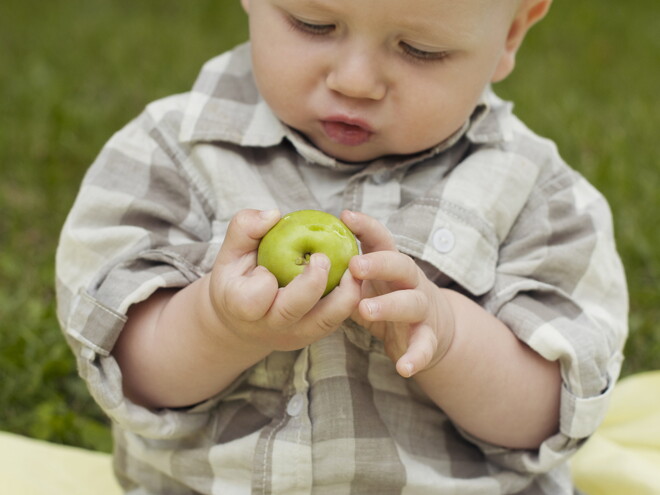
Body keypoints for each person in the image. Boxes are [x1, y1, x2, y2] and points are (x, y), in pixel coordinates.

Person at [55, 0, 629, 493]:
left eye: (420, 49)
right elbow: (124, 365)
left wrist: (448, 337)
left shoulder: (538, 193)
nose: (355, 81)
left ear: (511, 33)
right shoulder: (169, 153)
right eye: (313, 23)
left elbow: (547, 415)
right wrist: (218, 327)